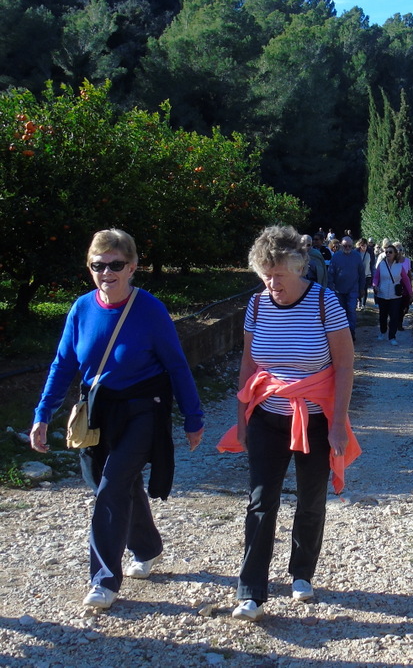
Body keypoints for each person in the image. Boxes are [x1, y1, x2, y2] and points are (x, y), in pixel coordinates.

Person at [30, 228, 204, 610]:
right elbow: (63, 365)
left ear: (132, 267)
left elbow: (177, 365)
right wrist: (43, 414)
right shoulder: (81, 309)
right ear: (89, 267)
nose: (106, 272)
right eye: (98, 265)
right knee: (110, 484)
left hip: (142, 409)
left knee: (112, 486)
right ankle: (148, 546)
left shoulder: (150, 310)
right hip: (98, 411)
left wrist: (193, 417)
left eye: (115, 264)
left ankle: (104, 580)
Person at [220, 225, 360, 622]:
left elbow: (345, 365)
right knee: (261, 501)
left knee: (311, 498)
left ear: (298, 267)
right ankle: (250, 591)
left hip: (315, 419)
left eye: (278, 274)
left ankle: (302, 573)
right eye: (265, 275)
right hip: (267, 416)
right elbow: (249, 363)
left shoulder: (325, 303)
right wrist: (241, 418)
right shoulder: (257, 305)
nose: (272, 283)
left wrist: (338, 423)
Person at [372, 243, 412, 346]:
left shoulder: (399, 266)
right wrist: (375, 285)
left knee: (394, 316)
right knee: (383, 316)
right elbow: (376, 277)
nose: (388, 254)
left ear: (395, 254)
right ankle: (383, 331)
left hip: (395, 295)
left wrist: (410, 292)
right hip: (382, 294)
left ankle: (392, 337)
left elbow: (406, 280)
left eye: (390, 252)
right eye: (386, 252)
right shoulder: (381, 265)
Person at [328, 236, 362, 340]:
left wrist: (362, 288)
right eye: (345, 246)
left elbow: (361, 273)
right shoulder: (336, 257)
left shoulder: (357, 256)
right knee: (341, 312)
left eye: (349, 246)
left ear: (352, 246)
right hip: (338, 290)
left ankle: (351, 333)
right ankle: (343, 333)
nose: (347, 248)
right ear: (341, 246)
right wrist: (330, 288)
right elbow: (330, 274)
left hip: (353, 289)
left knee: (351, 310)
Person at [394, 242, 413, 331]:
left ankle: (399, 322)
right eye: (397, 249)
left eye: (400, 249)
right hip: (395, 284)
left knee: (405, 306)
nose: (399, 251)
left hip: (405, 285)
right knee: (396, 305)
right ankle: (397, 323)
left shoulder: (407, 261)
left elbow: (409, 274)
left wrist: (410, 286)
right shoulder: (392, 261)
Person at [355, 238, 371, 310]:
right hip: (358, 274)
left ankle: (364, 304)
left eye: (365, 245)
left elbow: (371, 264)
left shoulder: (369, 253)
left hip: (367, 274)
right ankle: (359, 301)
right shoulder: (356, 253)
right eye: (362, 245)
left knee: (365, 289)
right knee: (359, 288)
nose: (364, 247)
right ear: (359, 245)